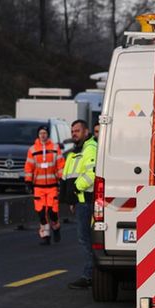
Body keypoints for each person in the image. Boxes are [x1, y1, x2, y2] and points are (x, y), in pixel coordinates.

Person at [63, 119, 99, 289]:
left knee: (86, 240)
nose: (74, 134)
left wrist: (77, 188)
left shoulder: (90, 148)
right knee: (85, 239)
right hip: (80, 201)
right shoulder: (75, 151)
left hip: (87, 201)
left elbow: (91, 174)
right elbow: (67, 175)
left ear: (86, 132)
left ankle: (89, 274)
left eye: (77, 131)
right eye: (72, 131)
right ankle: (91, 273)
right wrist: (71, 198)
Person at [24, 126, 64, 245]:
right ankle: (45, 236)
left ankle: (56, 228)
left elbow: (60, 165)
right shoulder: (32, 150)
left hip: (52, 186)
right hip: (38, 186)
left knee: (52, 212)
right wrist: (28, 181)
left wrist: (61, 179)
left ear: (48, 135)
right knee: (41, 213)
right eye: (41, 133)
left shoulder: (55, 148)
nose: (43, 135)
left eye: (45, 133)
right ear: (38, 135)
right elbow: (29, 167)